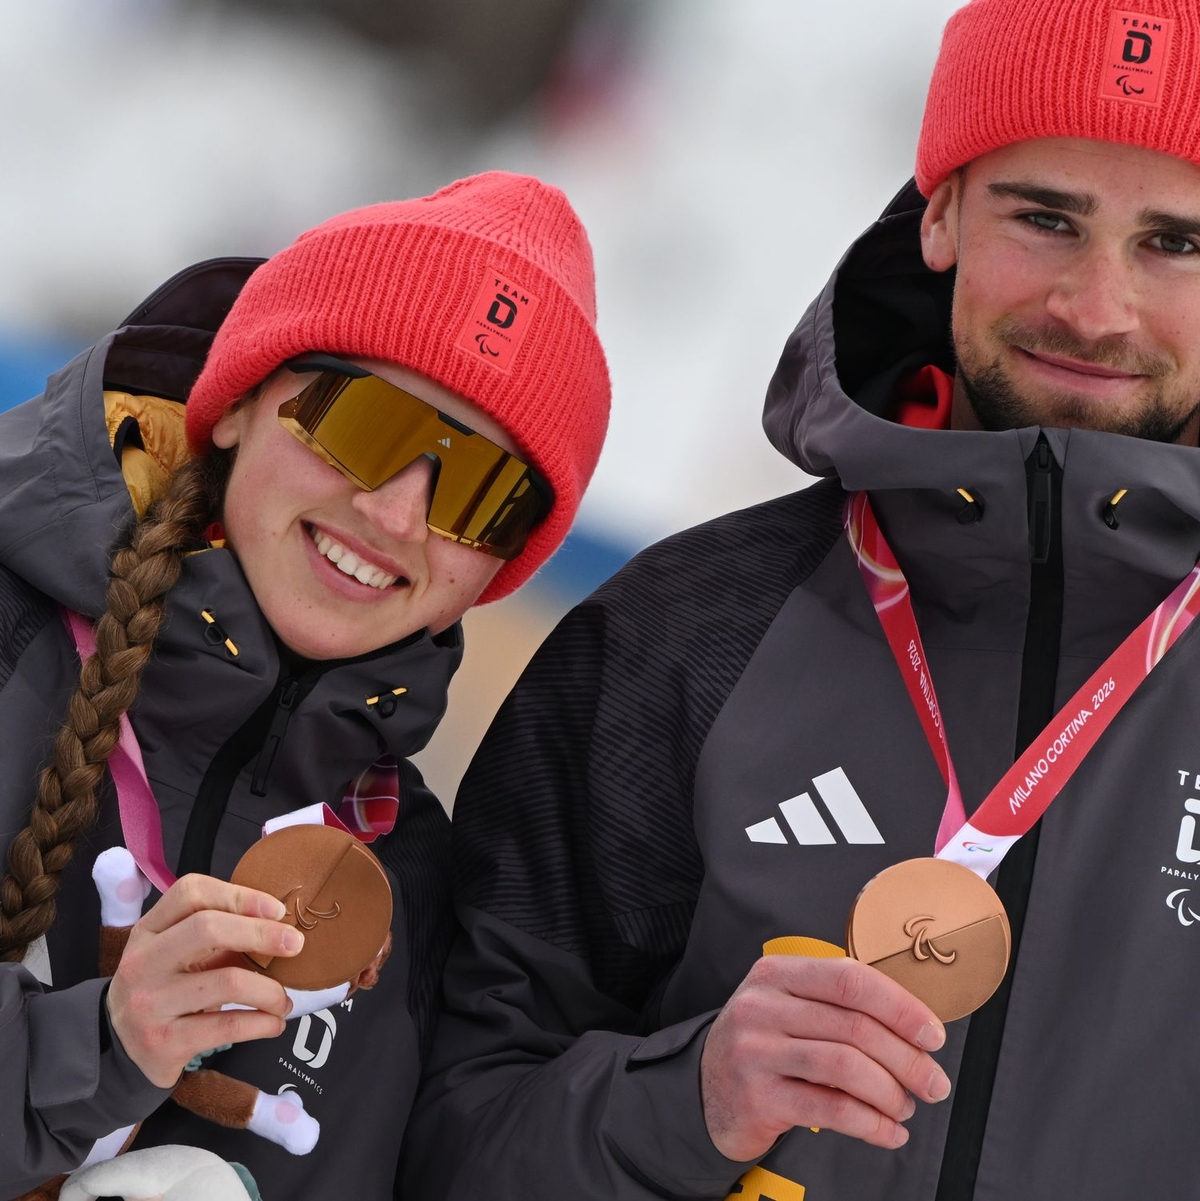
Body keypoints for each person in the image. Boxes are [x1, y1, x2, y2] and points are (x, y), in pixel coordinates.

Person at [399, 3, 1200, 1198]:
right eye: (1045, 219)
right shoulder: (687, 631)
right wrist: (682, 1103)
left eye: (1175, 244)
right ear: (939, 212)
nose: (1096, 308)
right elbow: (441, 1140)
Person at [0, 170, 609, 1199]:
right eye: (367, 427)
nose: (399, 517)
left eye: (478, 491)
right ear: (239, 401)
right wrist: (92, 1051)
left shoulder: (414, 880)